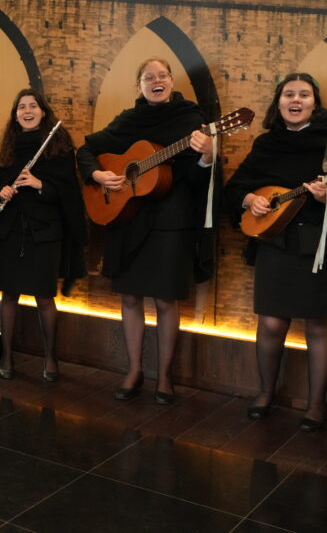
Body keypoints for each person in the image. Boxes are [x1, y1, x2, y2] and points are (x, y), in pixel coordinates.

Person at [77, 58, 214, 405]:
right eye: (148, 77)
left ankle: (165, 377)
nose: (156, 81)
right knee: (129, 296)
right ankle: (134, 369)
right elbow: (87, 150)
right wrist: (97, 175)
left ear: (171, 81)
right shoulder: (128, 120)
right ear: (138, 85)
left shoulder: (190, 118)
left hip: (172, 219)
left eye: (162, 75)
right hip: (129, 217)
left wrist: (206, 158)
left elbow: (198, 182)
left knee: (165, 299)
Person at [223, 73, 327, 432]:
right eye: (289, 94)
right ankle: (265, 392)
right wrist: (250, 198)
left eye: (304, 94)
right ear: (279, 102)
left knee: (318, 325)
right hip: (276, 242)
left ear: (315, 103)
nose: (296, 100)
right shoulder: (266, 143)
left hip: (318, 243)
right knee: (271, 322)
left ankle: (317, 404)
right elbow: (236, 186)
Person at [0, 89, 86, 382]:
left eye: (33, 106)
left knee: (44, 297)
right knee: (9, 294)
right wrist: (2, 191)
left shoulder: (58, 146)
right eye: (21, 107)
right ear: (15, 115)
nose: (27, 111)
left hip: (45, 233)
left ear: (42, 112)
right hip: (12, 232)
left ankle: (51, 357)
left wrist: (39, 184)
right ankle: (8, 355)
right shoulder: (6, 149)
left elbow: (68, 194)